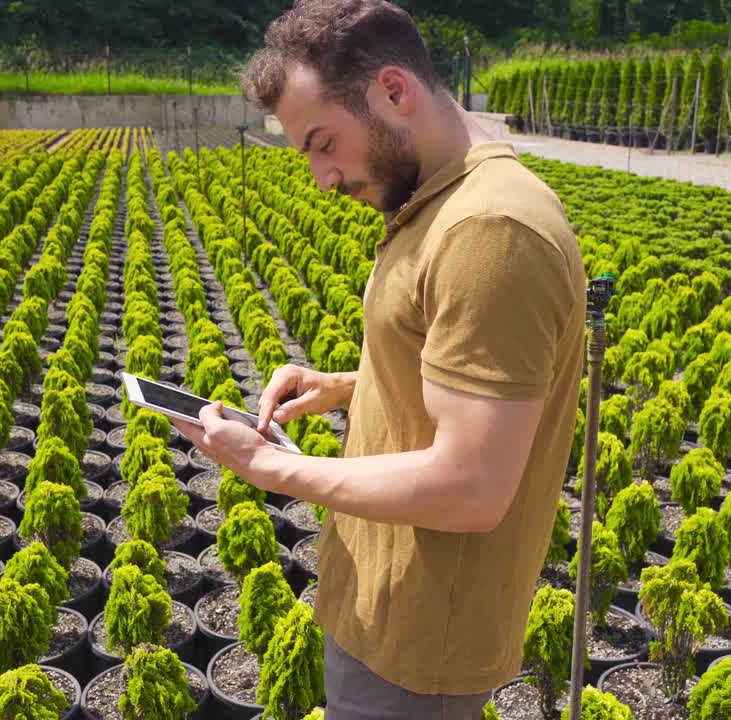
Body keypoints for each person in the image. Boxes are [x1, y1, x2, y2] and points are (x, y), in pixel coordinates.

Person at [169, 0, 587, 716]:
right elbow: (472, 384)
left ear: (394, 92)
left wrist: (271, 467)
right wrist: (349, 386)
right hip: (385, 609)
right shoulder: (442, 200)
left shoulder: (490, 231)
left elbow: (472, 483)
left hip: (420, 645)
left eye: (324, 142)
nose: (321, 178)